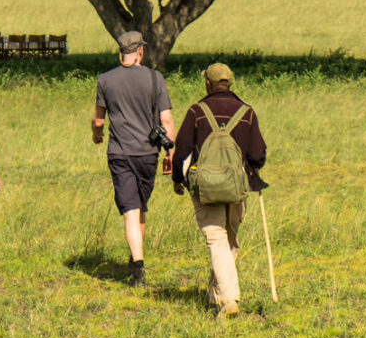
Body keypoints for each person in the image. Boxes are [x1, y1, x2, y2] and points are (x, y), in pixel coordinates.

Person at [170, 63, 267, 319]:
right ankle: (217, 296)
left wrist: (178, 179)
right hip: (237, 186)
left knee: (216, 240)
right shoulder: (247, 112)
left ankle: (229, 298)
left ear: (208, 85)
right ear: (231, 83)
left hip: (205, 187)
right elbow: (258, 154)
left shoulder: (196, 111)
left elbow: (181, 151)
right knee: (229, 242)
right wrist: (253, 170)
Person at [91, 30, 175, 286]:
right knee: (140, 208)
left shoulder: (105, 80)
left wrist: (97, 134)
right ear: (140, 52)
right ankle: (136, 259)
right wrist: (171, 152)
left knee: (131, 210)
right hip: (149, 153)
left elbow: (98, 119)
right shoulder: (154, 78)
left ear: (121, 53)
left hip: (119, 153)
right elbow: (167, 119)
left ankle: (137, 268)